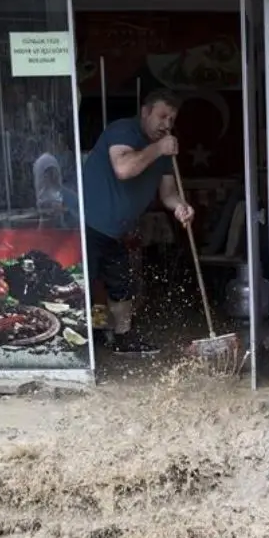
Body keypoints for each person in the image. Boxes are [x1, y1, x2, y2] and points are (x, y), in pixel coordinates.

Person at [82, 89, 194, 356]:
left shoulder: (164, 150)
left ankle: (123, 338)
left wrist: (180, 207)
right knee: (82, 285)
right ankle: (79, 340)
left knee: (122, 286)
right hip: (87, 223)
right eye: (162, 116)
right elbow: (124, 168)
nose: (167, 124)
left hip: (118, 229)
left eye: (172, 118)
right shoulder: (123, 130)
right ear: (145, 112)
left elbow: (167, 194)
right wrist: (158, 149)